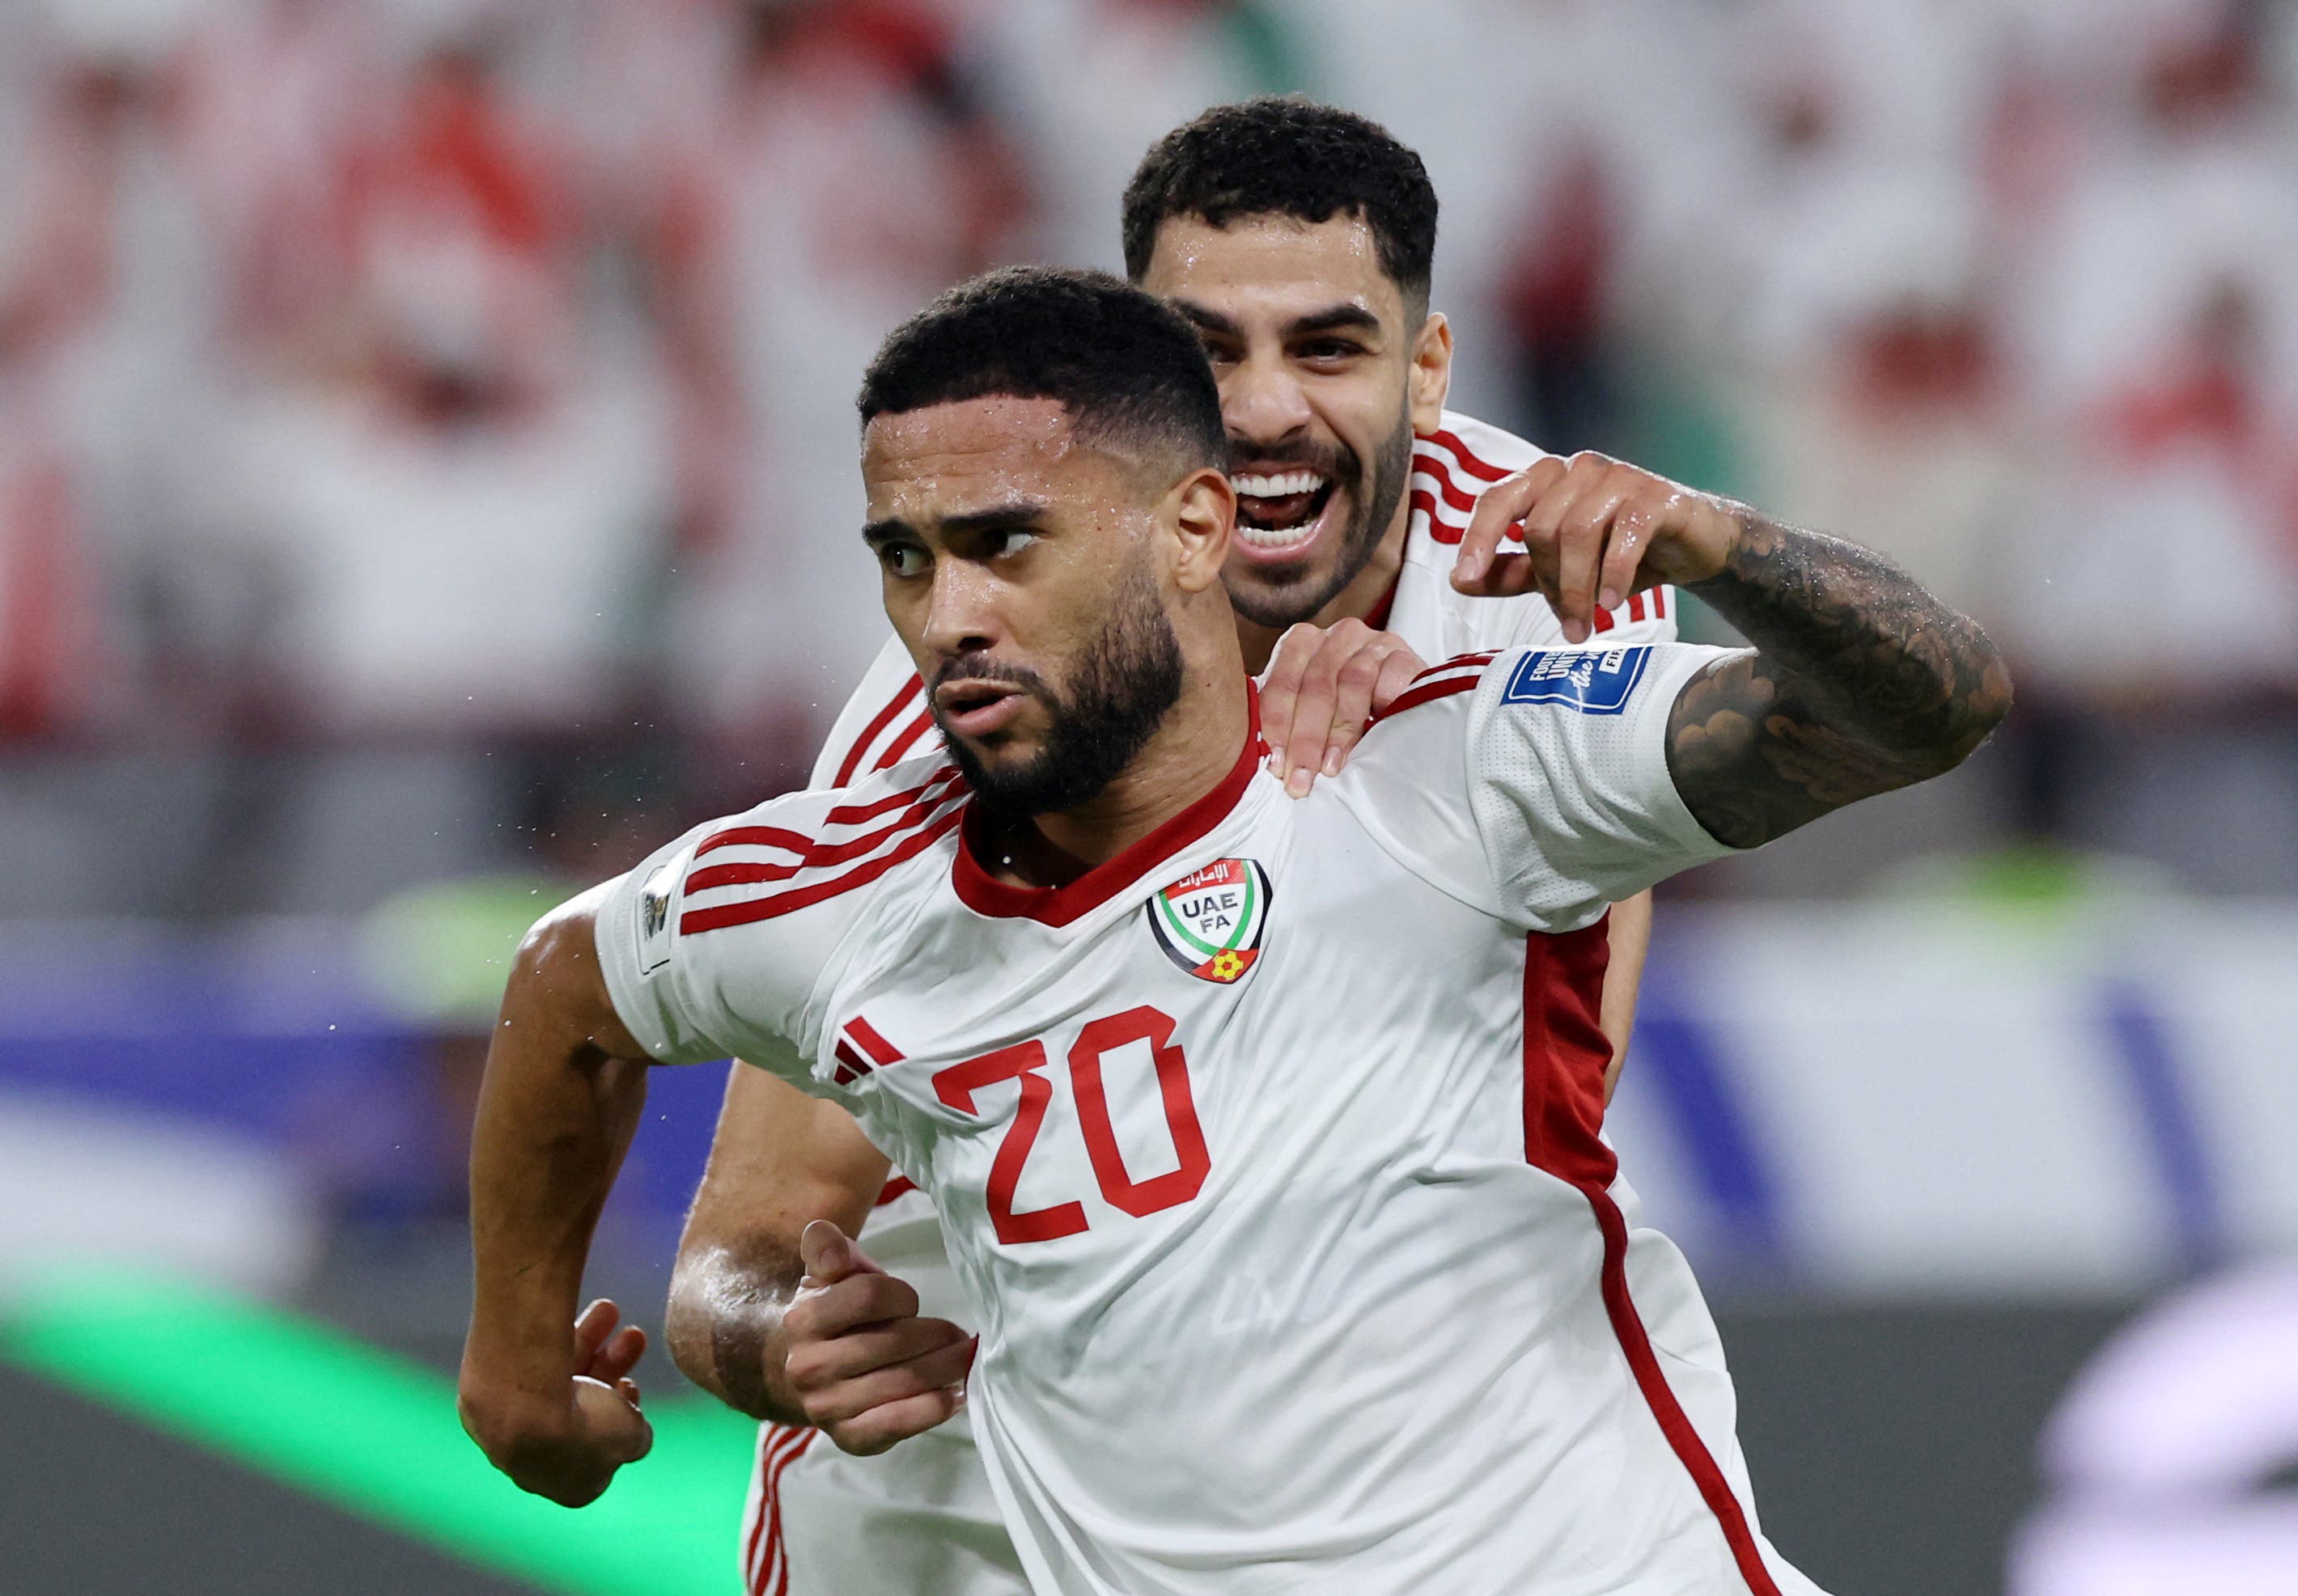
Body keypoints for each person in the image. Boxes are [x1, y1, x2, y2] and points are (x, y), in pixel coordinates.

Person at [459, 266, 2011, 1594]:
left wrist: (1728, 548)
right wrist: (519, 1366)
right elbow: (568, 994)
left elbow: (1917, 710)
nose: (950, 616)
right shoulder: (848, 880)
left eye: (1009, 544)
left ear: (1197, 525)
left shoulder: (1454, 764)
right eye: (906, 559)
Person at [668, 100, 1680, 1595]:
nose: (1264, 409)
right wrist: (780, 1339)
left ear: (1429, 369)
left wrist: (1424, 766)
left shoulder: (1550, 592)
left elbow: (1552, 1079)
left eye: (1327, 348)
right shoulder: (958, 719)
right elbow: (736, 1252)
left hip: (1341, 1467)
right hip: (963, 1487)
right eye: (1207, 352)